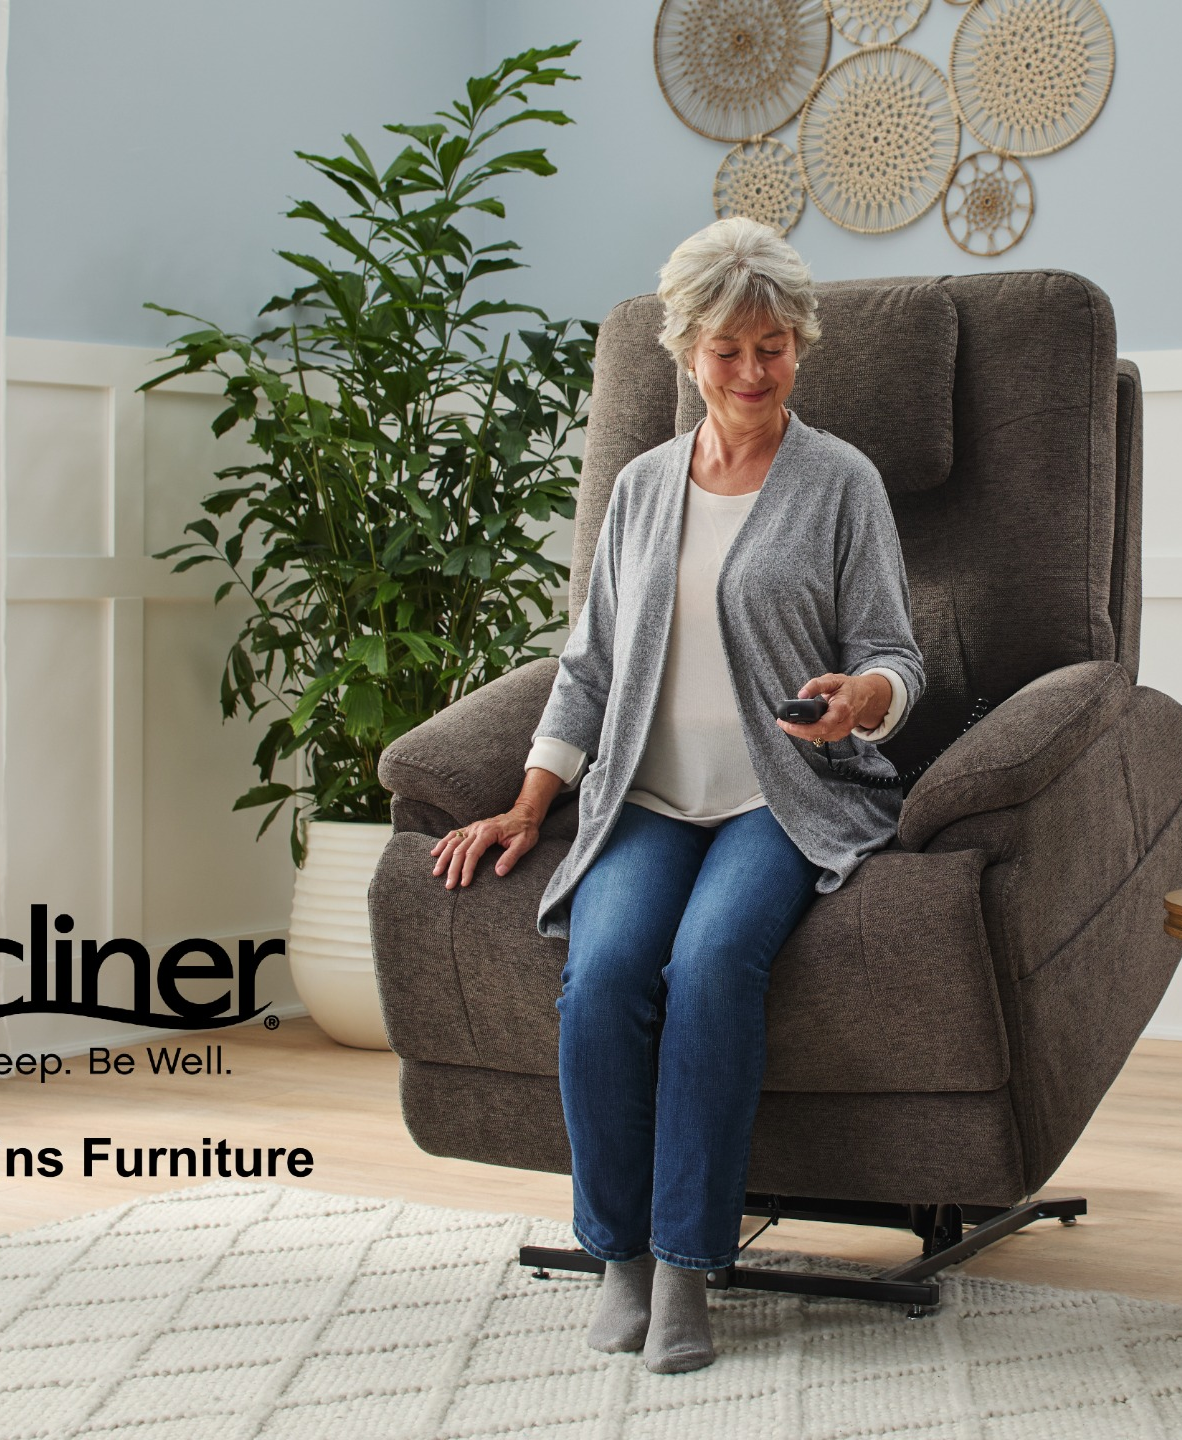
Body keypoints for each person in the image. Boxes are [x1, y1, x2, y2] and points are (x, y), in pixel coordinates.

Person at [426, 218, 925, 1373]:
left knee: (709, 968)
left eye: (775, 348)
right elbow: (590, 668)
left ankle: (692, 1268)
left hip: (780, 800)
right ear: (685, 355)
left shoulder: (841, 480)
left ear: (801, 346)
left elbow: (899, 653)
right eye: (728, 352)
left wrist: (864, 699)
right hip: (644, 801)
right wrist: (529, 802)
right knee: (601, 976)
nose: (754, 374)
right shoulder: (645, 489)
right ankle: (622, 1256)